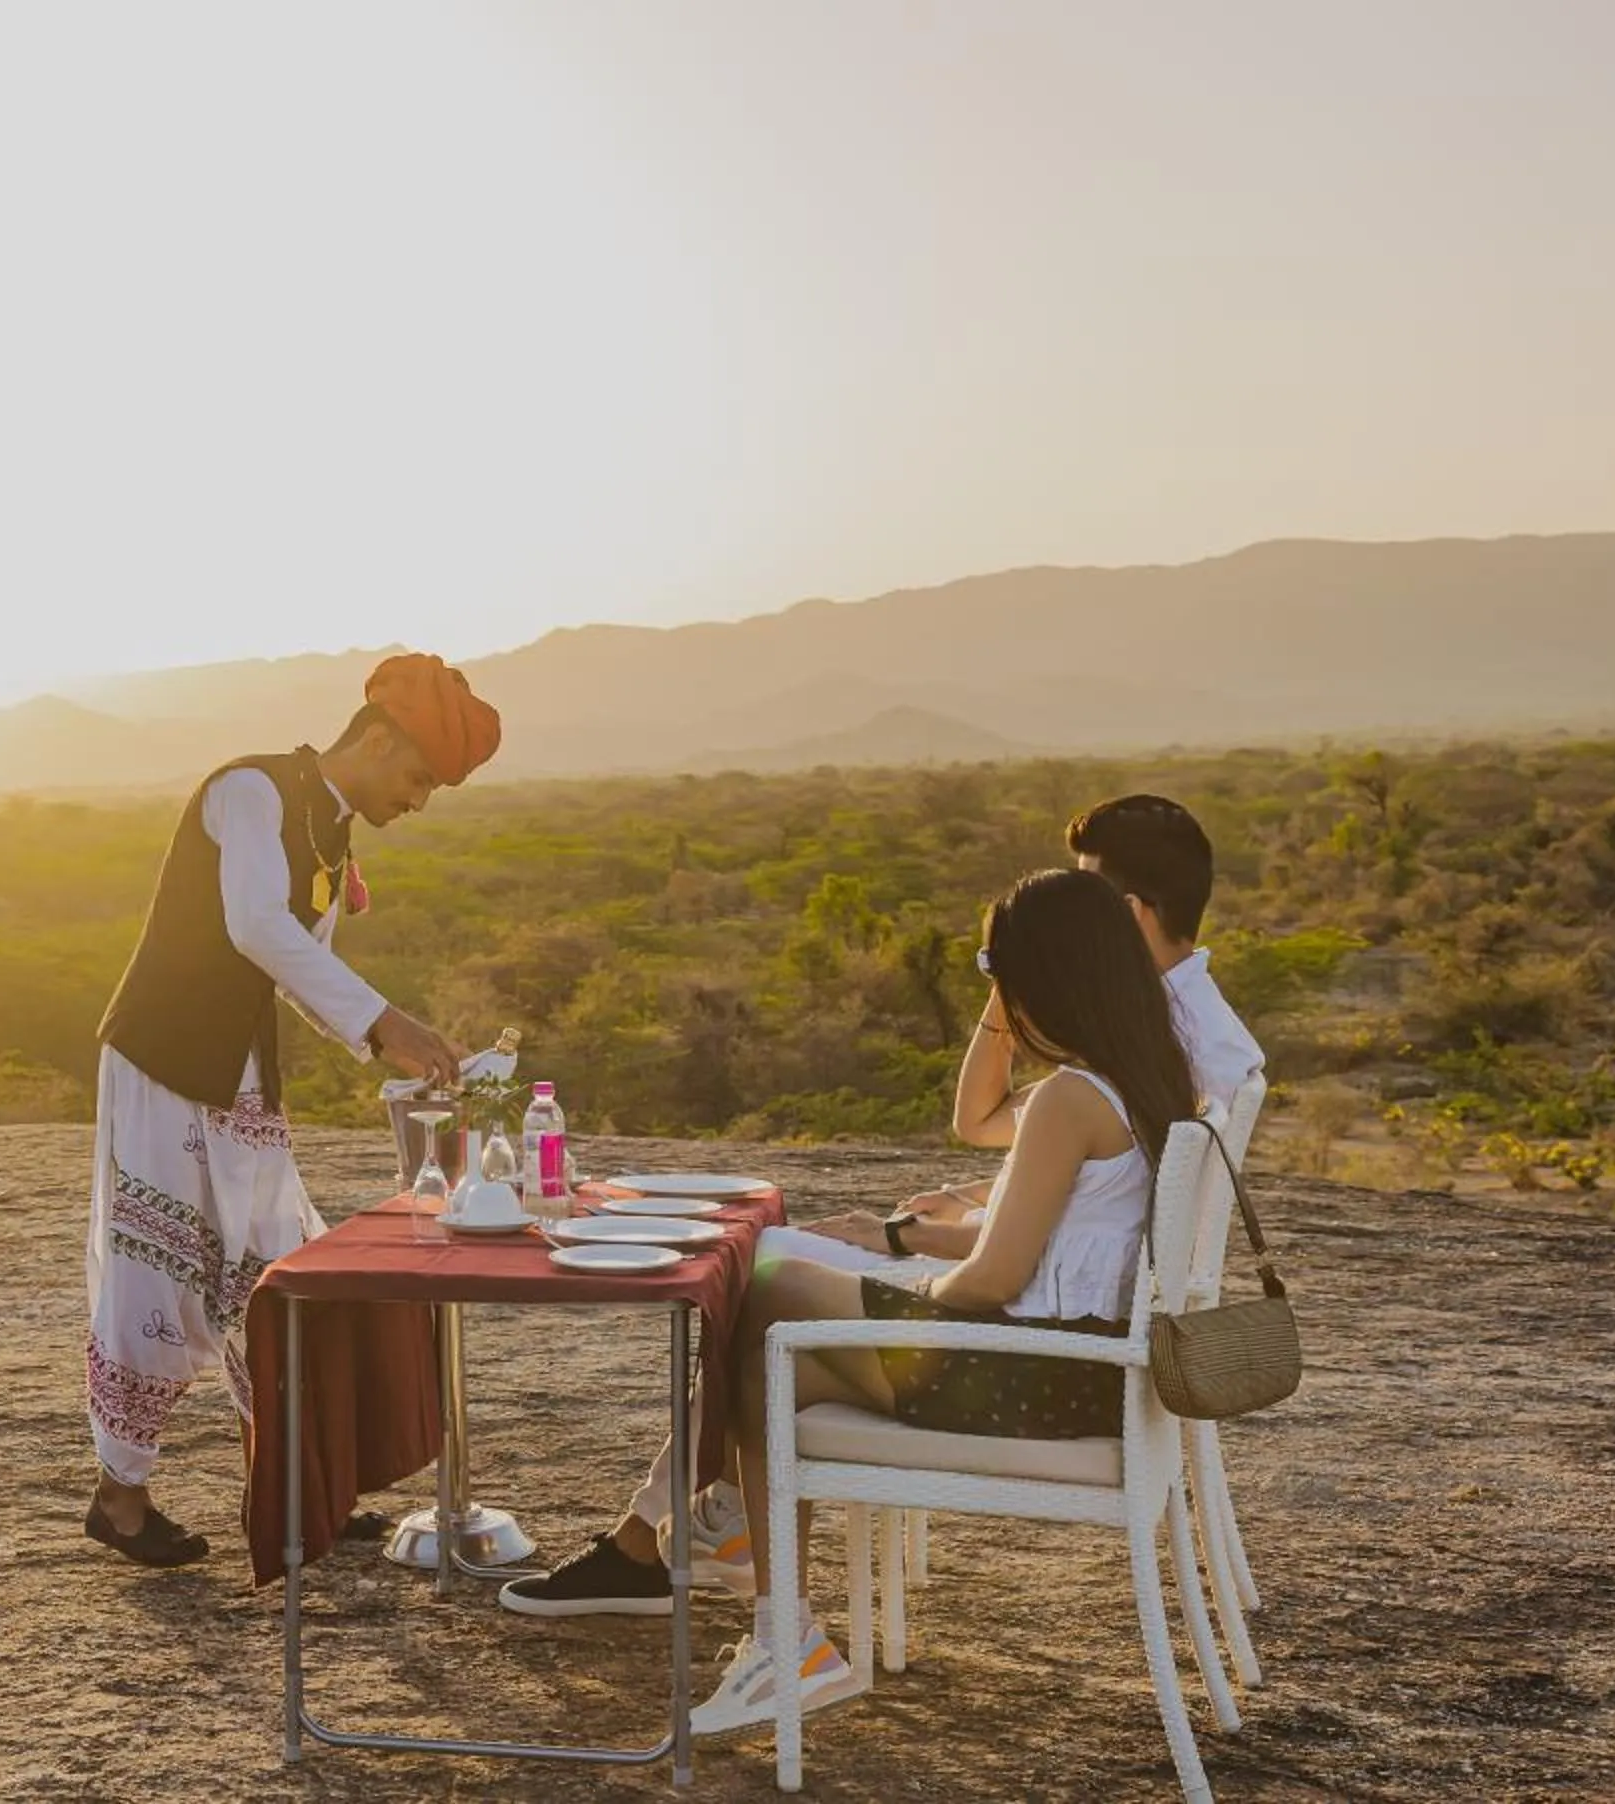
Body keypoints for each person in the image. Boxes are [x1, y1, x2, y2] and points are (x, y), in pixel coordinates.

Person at [500, 869, 1199, 1740]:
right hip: (1083, 1371)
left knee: (770, 1287)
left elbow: (992, 1280)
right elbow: (1045, 1251)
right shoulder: (1151, 1076)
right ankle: (763, 1605)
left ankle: (739, 1579)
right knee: (771, 1340)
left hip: (1040, 1377)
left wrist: (895, 1304)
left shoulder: (1070, 1099)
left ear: (1042, 978)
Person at [81, 653, 500, 1567]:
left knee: (275, 1267)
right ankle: (120, 1497)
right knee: (160, 1267)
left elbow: (294, 965)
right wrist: (385, 1021)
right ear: (377, 738)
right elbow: (255, 927)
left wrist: (390, 1045)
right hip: (160, 1054)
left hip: (236, 1069)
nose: (420, 800)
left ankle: (291, 1488)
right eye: (420, 776)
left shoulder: (329, 831)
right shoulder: (250, 791)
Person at [803, 792, 1264, 1268]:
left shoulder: (1173, 1041)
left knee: (780, 1262)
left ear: (1125, 916)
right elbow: (989, 1125)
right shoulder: (1197, 1023)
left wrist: (911, 1236)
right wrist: (1016, 976)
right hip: (1063, 1278)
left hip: (1054, 1296)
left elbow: (1075, 1243)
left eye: (1084, 898)